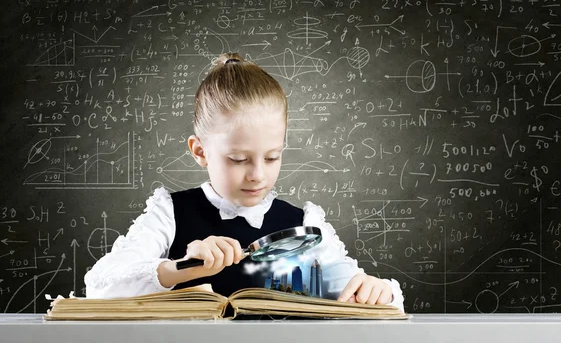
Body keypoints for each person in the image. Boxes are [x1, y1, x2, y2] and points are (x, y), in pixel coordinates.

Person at [84, 53, 405, 311]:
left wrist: (379, 291)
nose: (257, 175)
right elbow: (99, 285)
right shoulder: (169, 212)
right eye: (238, 159)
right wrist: (180, 267)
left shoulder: (304, 223)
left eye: (272, 157)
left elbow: (357, 291)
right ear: (200, 151)